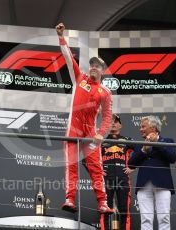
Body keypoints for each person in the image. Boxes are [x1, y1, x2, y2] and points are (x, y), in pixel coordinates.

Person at [55, 23, 113, 213]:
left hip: (90, 134)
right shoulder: (79, 78)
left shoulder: (105, 92)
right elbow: (68, 58)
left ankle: (103, 203)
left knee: (96, 168)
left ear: (103, 71)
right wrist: (61, 37)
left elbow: (107, 116)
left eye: (99, 66)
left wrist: (101, 134)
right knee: (71, 166)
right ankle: (70, 199)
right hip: (73, 130)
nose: (95, 67)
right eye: (93, 65)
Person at [128, 115, 176, 230]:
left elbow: (172, 158)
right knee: (146, 218)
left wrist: (157, 143)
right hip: (144, 184)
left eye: (143, 127)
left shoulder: (168, 141)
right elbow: (131, 164)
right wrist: (143, 150)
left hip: (163, 184)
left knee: (164, 217)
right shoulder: (140, 145)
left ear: (153, 128)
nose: (140, 129)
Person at [101, 114, 134, 230]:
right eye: (110, 121)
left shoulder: (127, 140)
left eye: (116, 121)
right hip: (106, 179)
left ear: (121, 125)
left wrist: (133, 167)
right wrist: (98, 170)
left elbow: (141, 152)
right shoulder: (101, 140)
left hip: (123, 178)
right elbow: (87, 158)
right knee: (104, 209)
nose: (113, 123)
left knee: (124, 210)